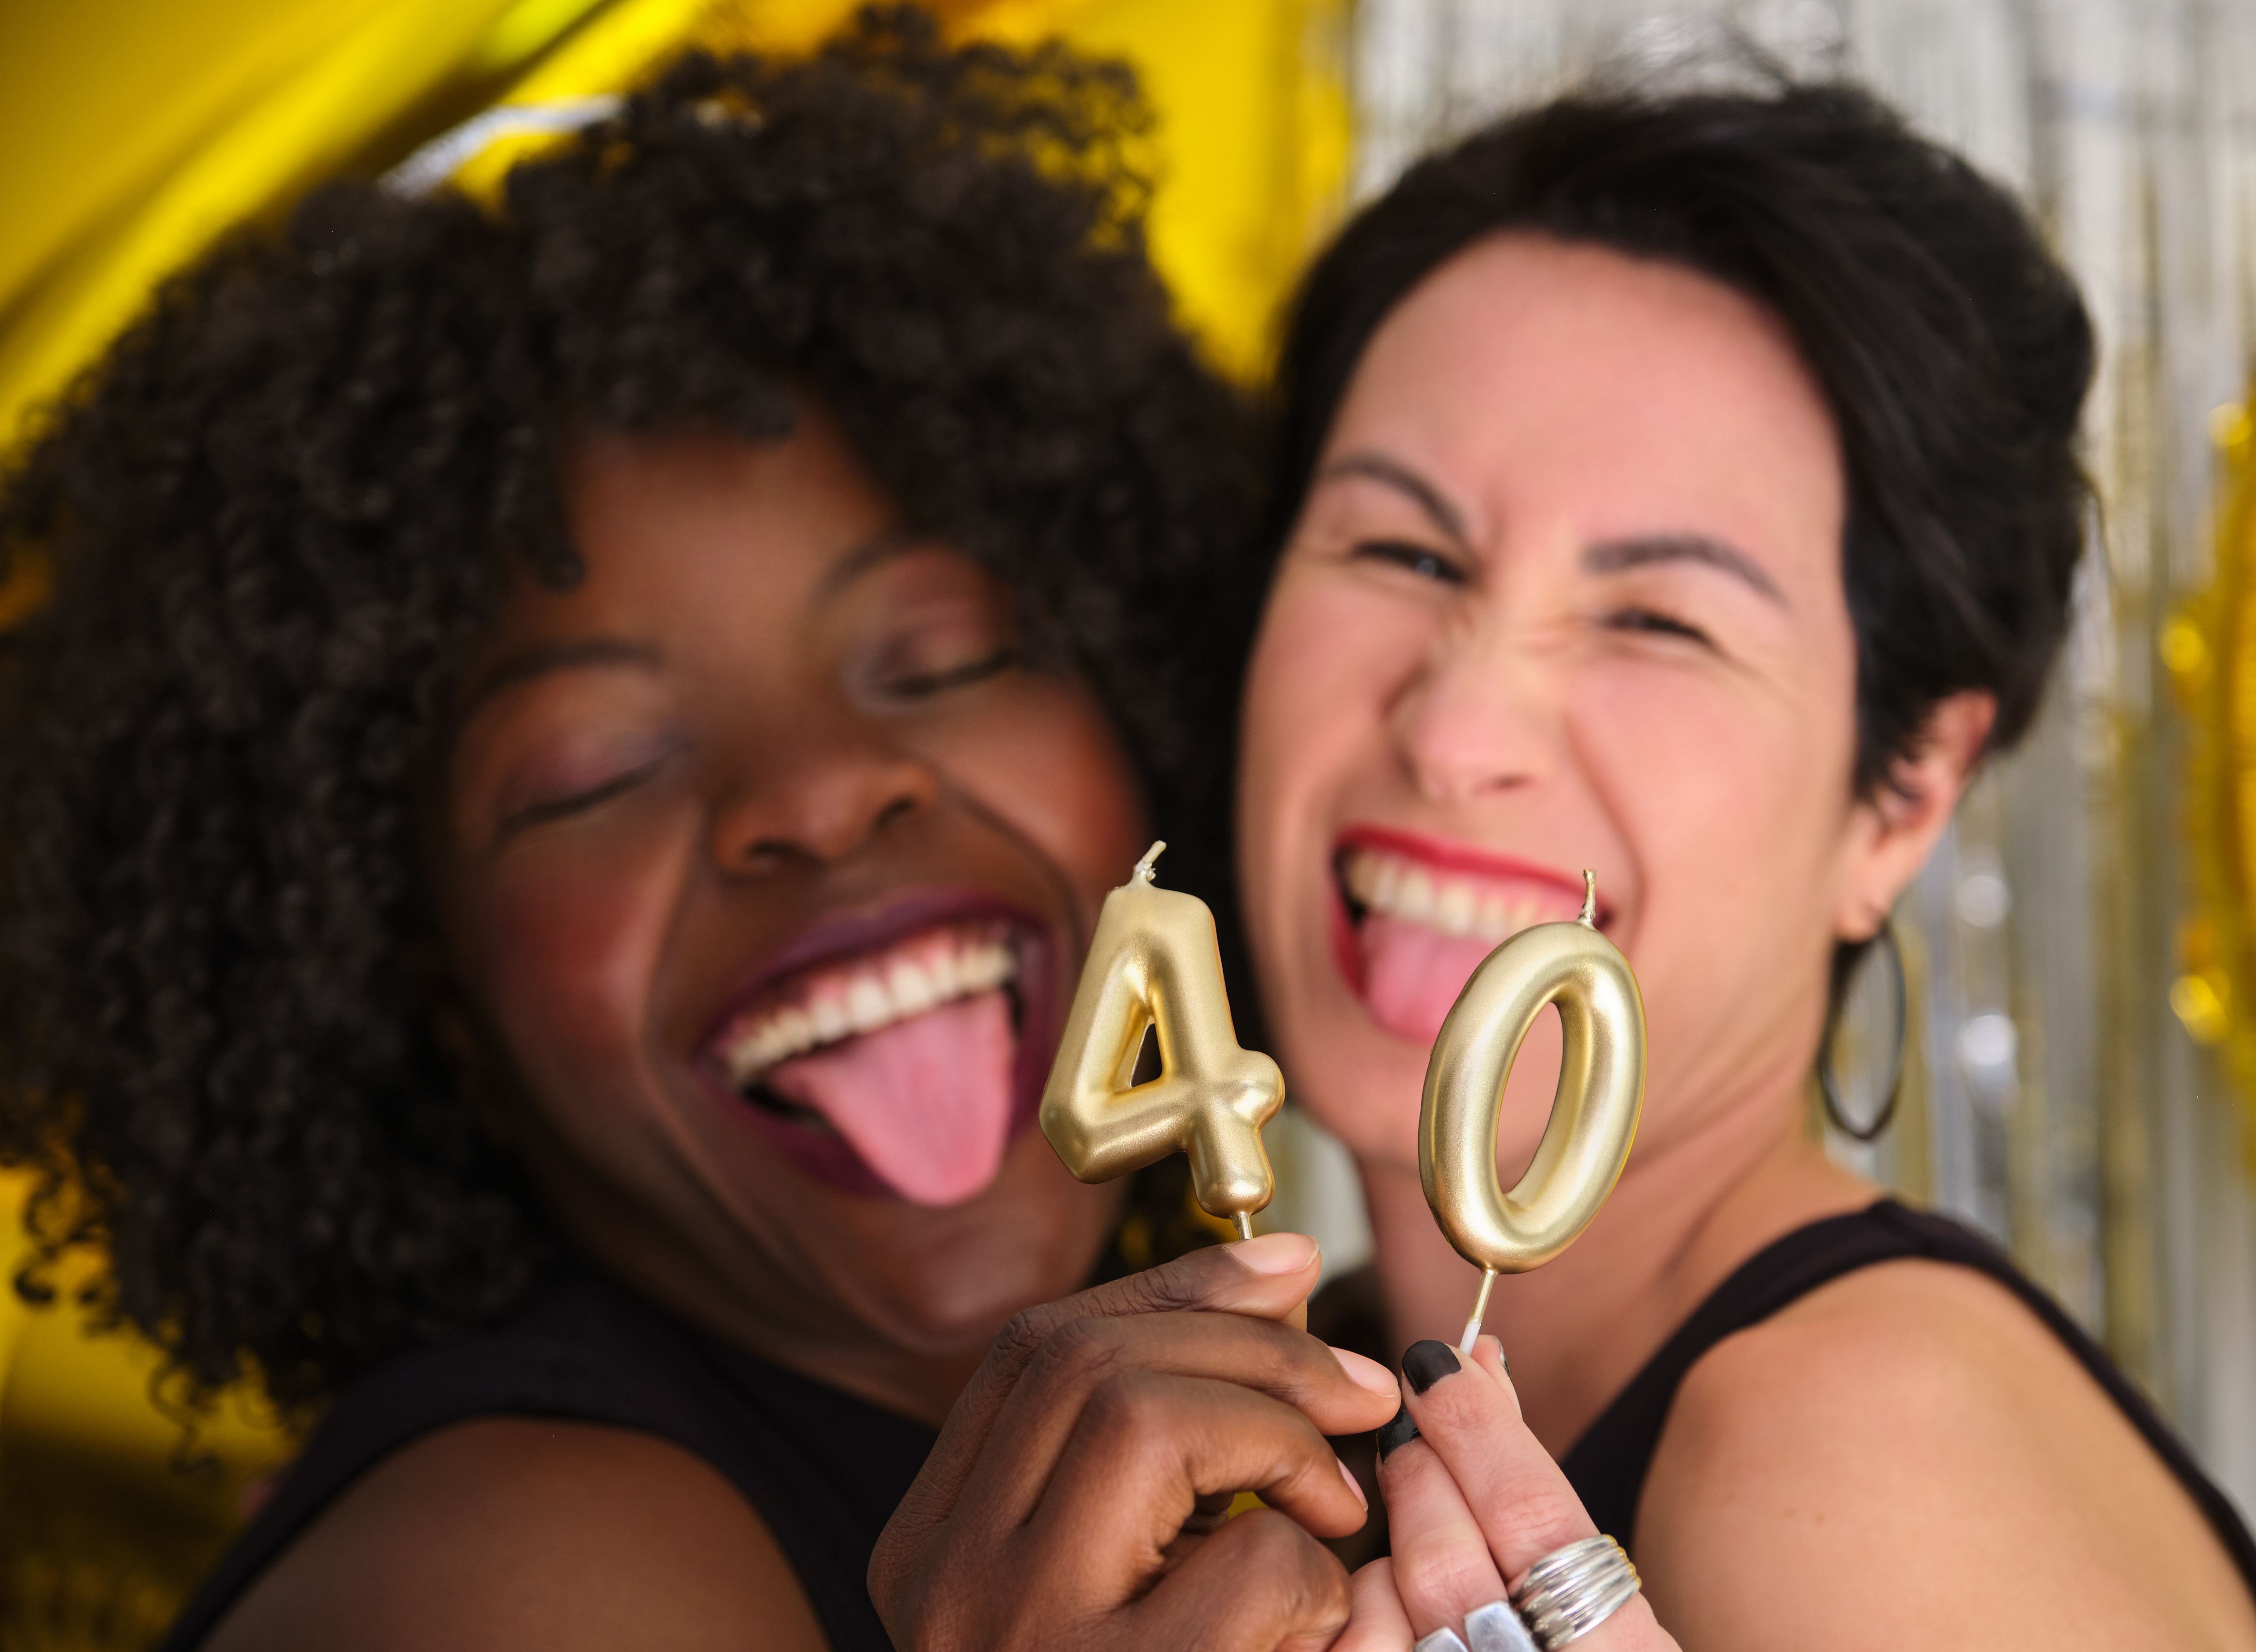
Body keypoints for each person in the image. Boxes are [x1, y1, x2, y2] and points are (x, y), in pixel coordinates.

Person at [0, 12, 1398, 1650]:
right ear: (425, 996)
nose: (815, 789)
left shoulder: (1361, 1384)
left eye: (940, 657)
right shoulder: (522, 1573)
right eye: (594, 769)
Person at [882, 77, 2256, 1652]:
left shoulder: (1848, 1449)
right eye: (1402, 552)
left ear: (1901, 798)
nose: (1457, 724)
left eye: (1656, 619)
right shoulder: (1305, 1389)